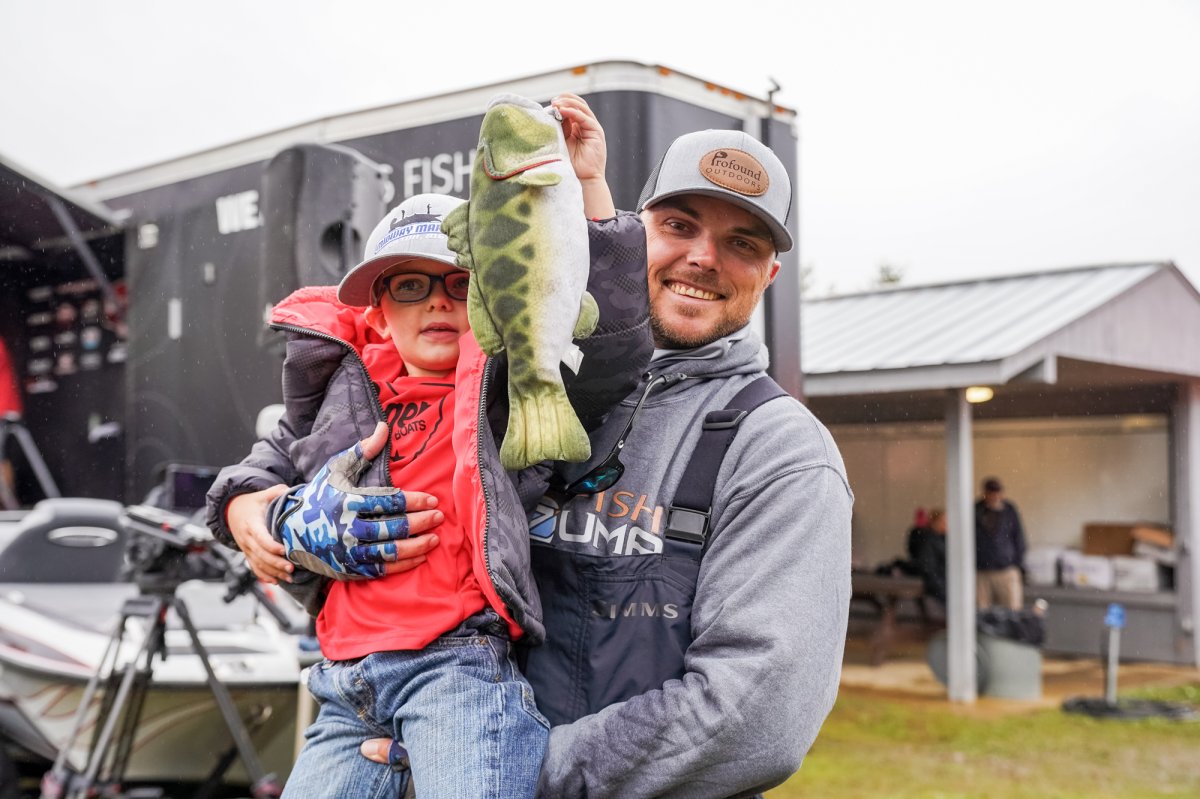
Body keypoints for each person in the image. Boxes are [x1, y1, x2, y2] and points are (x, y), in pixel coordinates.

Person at [359, 96, 854, 798]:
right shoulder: (525, 389)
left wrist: (498, 770)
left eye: (743, 243)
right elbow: (407, 575)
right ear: (632, 231)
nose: (703, 257)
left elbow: (754, 716)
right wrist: (275, 517)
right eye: (679, 224)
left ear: (770, 276)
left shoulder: (779, 451)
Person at [204, 179, 652, 796]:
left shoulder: (512, 390)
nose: (438, 302)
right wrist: (240, 509)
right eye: (410, 285)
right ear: (377, 316)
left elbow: (613, 344)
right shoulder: (343, 393)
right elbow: (264, 466)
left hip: (456, 670)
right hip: (343, 682)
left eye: (460, 283)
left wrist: (592, 192)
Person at [975, 476, 1026, 610]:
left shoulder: (1009, 510)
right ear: (985, 493)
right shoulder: (976, 510)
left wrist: (1016, 563)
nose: (994, 496)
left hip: (1006, 568)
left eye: (997, 493)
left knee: (1012, 608)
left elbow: (1018, 536)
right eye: (991, 493)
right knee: (981, 610)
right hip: (981, 571)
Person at [907, 507, 947, 603]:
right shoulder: (929, 539)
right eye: (944, 521)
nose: (947, 524)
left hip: (941, 579)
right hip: (938, 581)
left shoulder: (942, 538)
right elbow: (928, 566)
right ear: (936, 522)